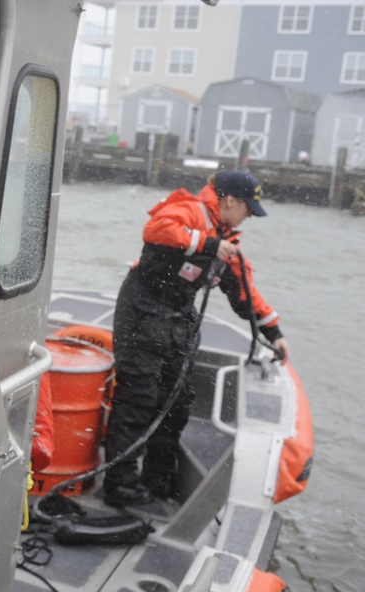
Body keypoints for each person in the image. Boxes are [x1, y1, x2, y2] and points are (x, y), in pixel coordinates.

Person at [102, 170, 290, 511]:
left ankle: (156, 480)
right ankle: (120, 486)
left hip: (179, 317)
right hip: (142, 310)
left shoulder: (228, 241)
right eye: (248, 209)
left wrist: (273, 333)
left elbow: (244, 293)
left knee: (177, 401)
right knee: (138, 399)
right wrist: (207, 245)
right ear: (230, 201)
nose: (250, 217)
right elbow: (156, 230)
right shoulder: (189, 211)